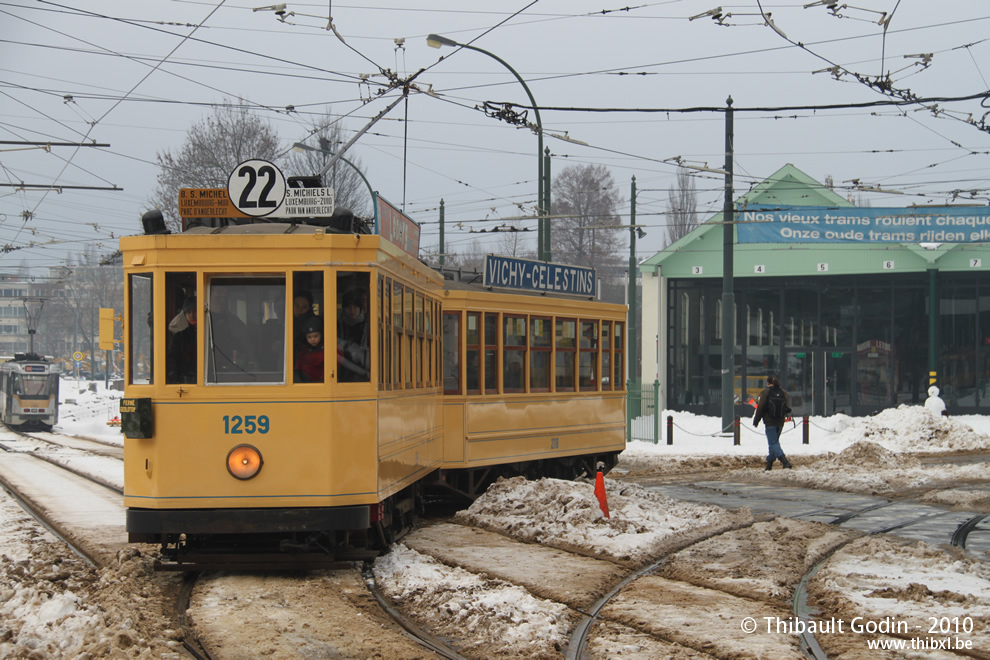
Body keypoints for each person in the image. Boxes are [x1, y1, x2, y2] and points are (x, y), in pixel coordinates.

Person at [753, 374, 793, 470]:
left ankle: (784, 461)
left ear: (768, 383)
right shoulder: (784, 393)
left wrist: (756, 420)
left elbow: (761, 408)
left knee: (773, 443)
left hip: (770, 421)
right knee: (774, 442)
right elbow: (786, 407)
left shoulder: (765, 392)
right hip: (780, 421)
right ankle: (769, 464)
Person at [337, 288, 369, 382]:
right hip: (341, 373)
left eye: (355, 307)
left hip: (364, 372)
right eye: (348, 307)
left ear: (360, 308)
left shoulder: (368, 326)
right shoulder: (337, 326)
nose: (352, 310)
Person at [166, 296, 197, 384]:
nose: (192, 315)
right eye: (188, 312)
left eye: (195, 311)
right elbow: (173, 359)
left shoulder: (210, 333)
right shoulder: (179, 337)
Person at [294, 315, 324, 383]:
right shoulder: (302, 350)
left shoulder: (328, 348)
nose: (312, 339)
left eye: (315, 336)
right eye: (309, 337)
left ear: (321, 335)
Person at [292, 290, 315, 354]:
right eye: (297, 305)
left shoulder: (311, 324)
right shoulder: (287, 320)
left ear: (309, 308)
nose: (299, 310)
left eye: (304, 307)